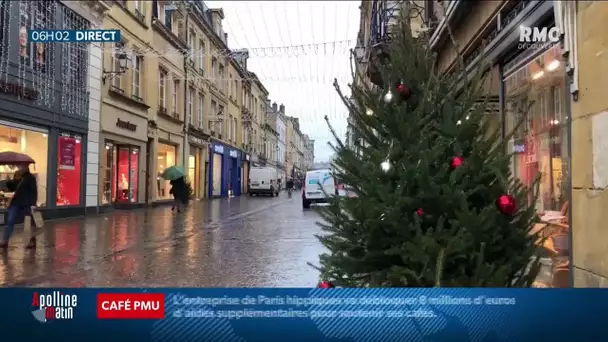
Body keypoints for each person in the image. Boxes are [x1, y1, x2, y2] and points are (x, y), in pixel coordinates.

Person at [0, 164, 37, 249]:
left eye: (23, 167)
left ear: (27, 168)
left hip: (27, 204)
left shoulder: (30, 178)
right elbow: (12, 187)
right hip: (16, 203)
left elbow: (34, 192)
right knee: (10, 221)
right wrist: (8, 181)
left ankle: (31, 240)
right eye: (20, 167)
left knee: (28, 223)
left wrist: (33, 204)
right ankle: (5, 241)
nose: (21, 168)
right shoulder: (19, 177)